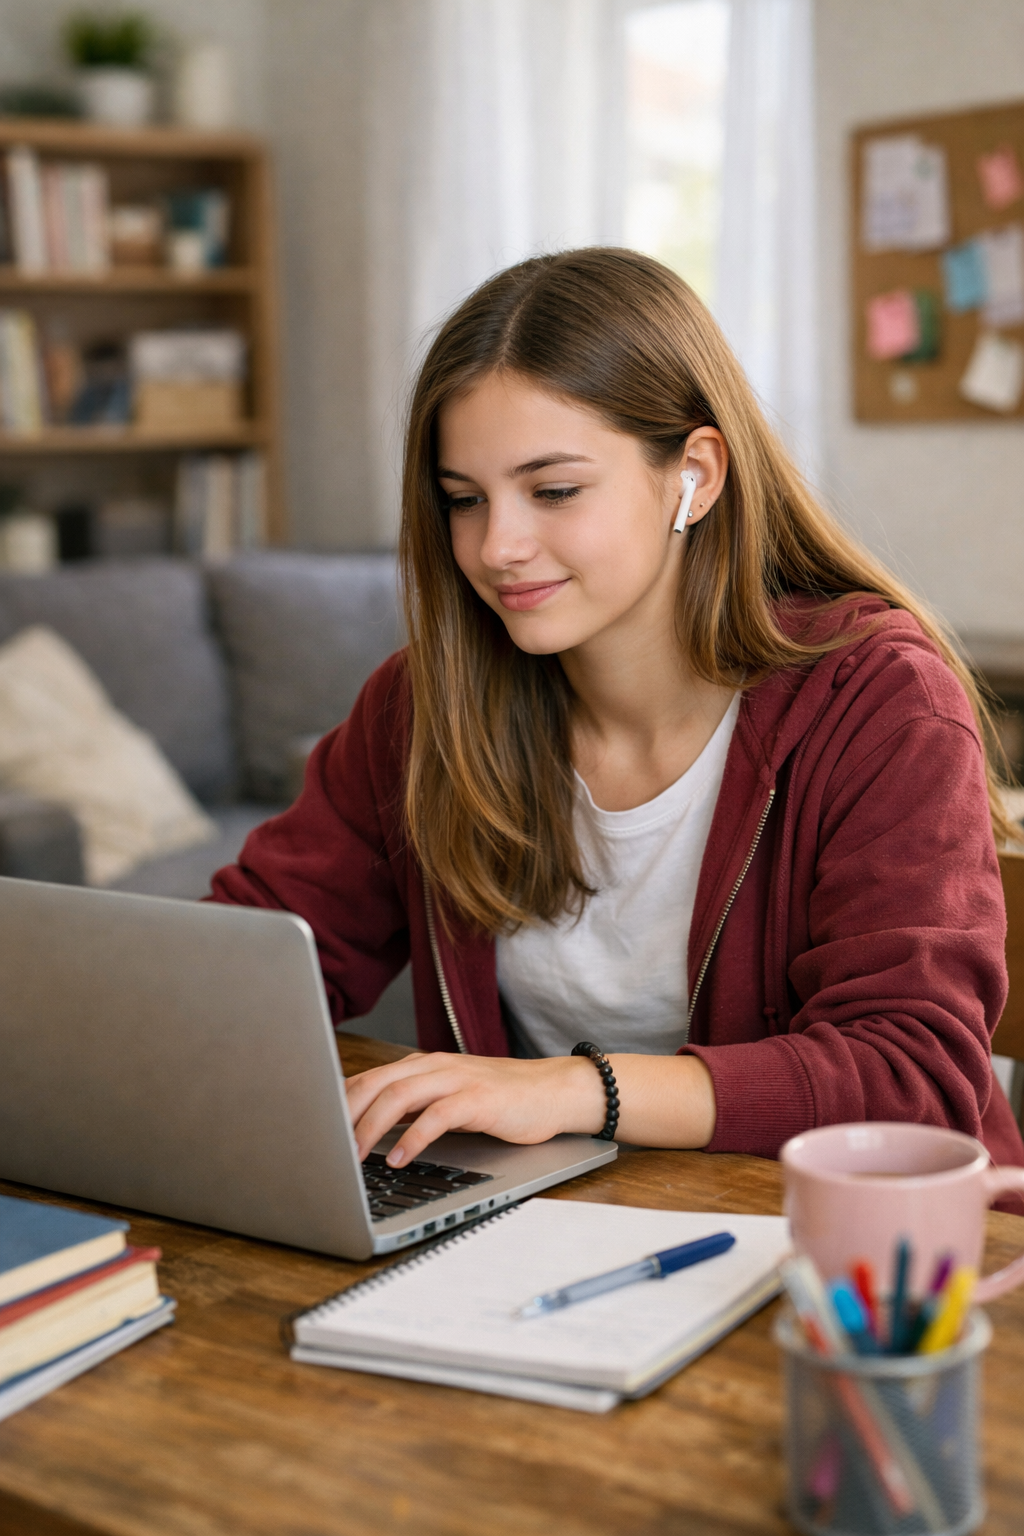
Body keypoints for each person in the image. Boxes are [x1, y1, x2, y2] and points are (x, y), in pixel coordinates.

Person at [211, 248, 1024, 1175]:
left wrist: (569, 1089)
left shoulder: (877, 702)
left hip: (847, 1256)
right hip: (544, 1235)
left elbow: (909, 1075)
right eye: (463, 500)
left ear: (696, 476)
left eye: (553, 491)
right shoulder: (422, 707)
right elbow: (261, 955)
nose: (498, 546)